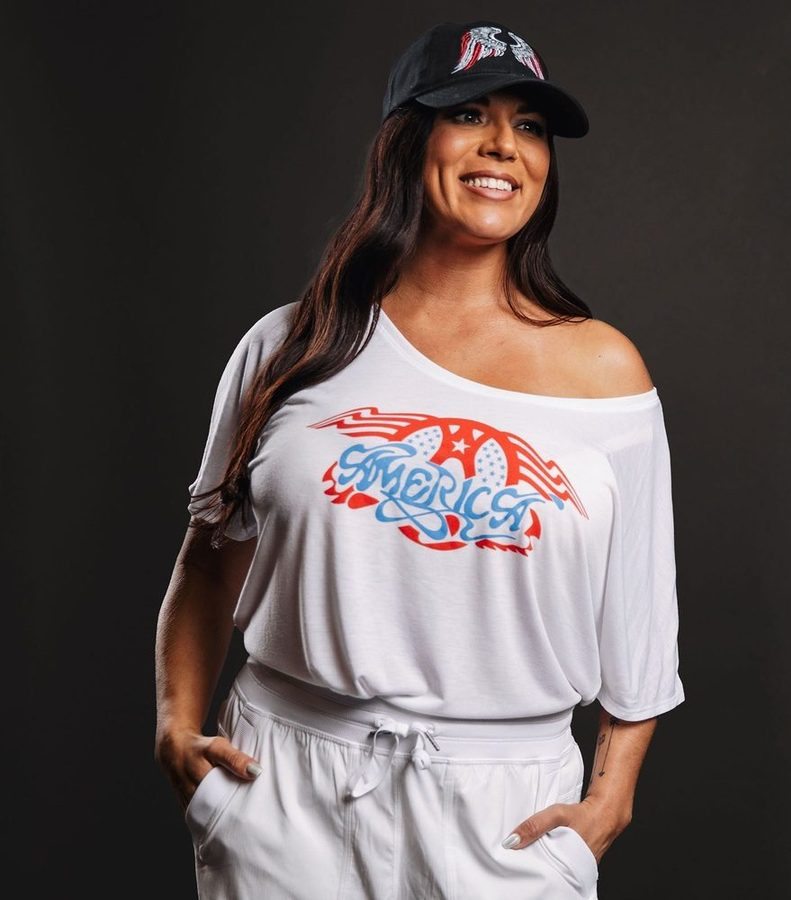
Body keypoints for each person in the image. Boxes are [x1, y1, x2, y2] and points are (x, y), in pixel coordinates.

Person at [154, 18, 686, 900]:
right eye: (468, 114)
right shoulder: (290, 346)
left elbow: (641, 620)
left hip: (503, 812)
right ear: (405, 142)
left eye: (529, 126)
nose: (502, 146)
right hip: (286, 786)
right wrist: (176, 728)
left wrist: (609, 798)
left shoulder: (604, 372)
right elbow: (209, 560)